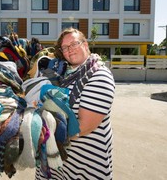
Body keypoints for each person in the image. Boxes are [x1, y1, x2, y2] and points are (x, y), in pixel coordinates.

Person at [35, 28, 115, 180]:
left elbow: (83, 127)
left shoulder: (99, 76)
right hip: (60, 163)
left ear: (85, 44)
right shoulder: (62, 73)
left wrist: (38, 130)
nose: (69, 50)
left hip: (85, 165)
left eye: (74, 44)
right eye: (65, 47)